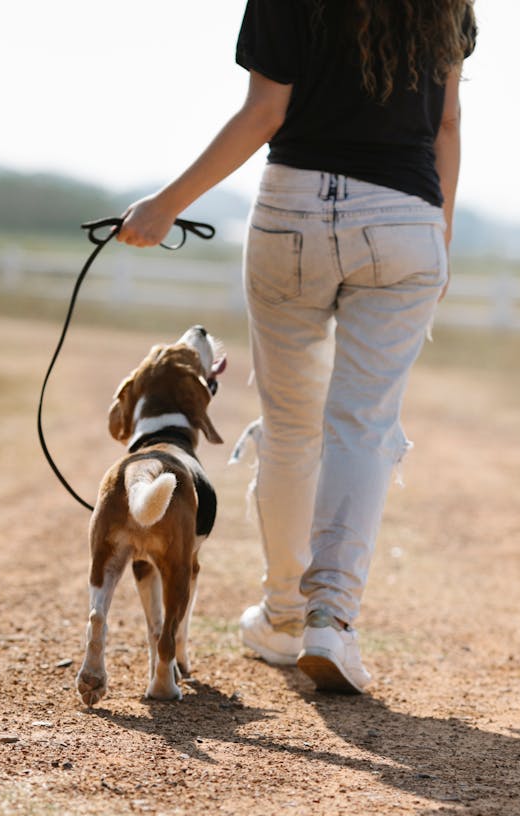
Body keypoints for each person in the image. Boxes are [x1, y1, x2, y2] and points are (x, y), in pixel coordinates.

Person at [117, 0, 477, 693]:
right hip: (406, 219)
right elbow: (448, 122)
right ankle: (330, 622)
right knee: (362, 425)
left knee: (289, 426)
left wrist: (166, 204)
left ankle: (283, 613)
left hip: (293, 214)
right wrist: (442, 232)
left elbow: (264, 113)